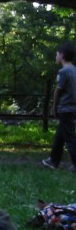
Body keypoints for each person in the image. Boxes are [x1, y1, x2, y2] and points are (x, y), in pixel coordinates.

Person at [42, 41, 76, 172]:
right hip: (73, 108)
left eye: (56, 54)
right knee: (60, 135)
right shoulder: (74, 70)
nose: (55, 57)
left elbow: (58, 91)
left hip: (66, 108)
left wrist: (54, 107)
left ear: (61, 55)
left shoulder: (63, 72)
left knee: (70, 138)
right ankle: (53, 160)